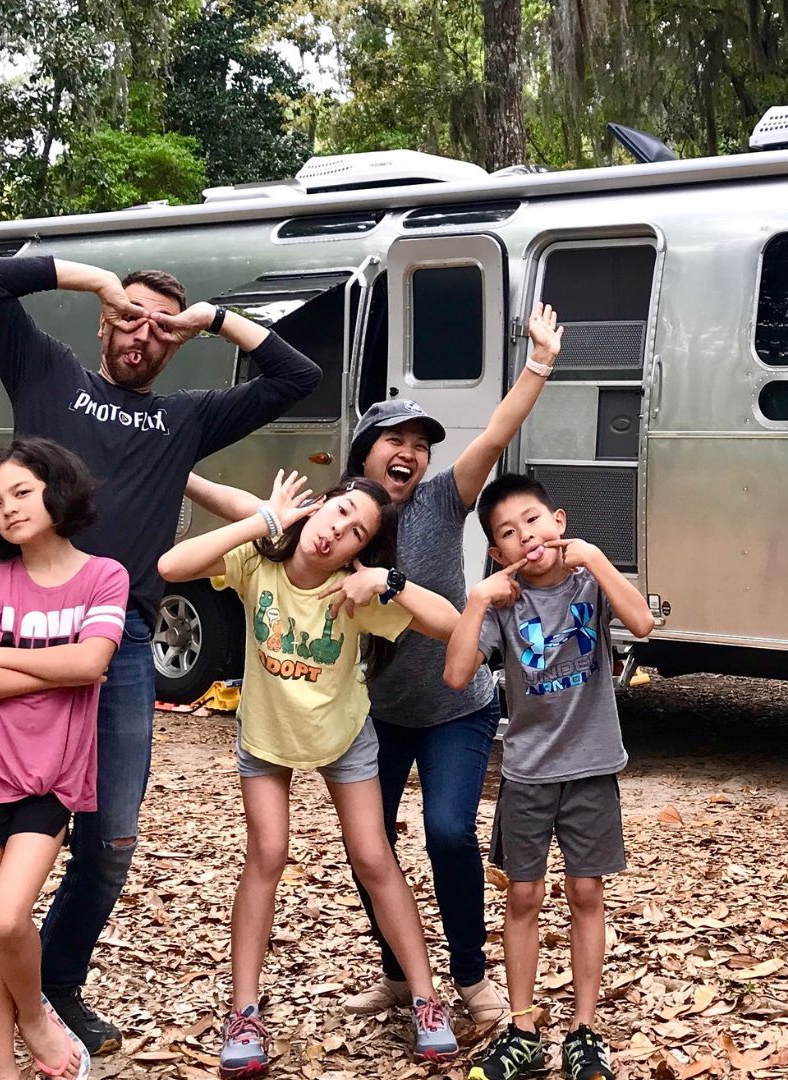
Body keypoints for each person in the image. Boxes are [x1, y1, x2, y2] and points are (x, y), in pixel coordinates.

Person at [0, 254, 321, 1080]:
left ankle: (52, 987)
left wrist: (212, 320)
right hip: (25, 623)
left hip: (120, 640)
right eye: (129, 317)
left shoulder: (184, 419)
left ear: (177, 344)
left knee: (110, 841)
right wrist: (95, 279)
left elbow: (294, 375)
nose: (143, 335)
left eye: (161, 329)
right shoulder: (50, 375)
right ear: (104, 323)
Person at [181, 303, 565, 1027]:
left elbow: (495, 433)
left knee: (448, 832)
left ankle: (470, 976)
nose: (410, 452)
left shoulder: (443, 500)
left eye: (420, 445)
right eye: (396, 439)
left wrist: (539, 363)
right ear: (365, 453)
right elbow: (249, 510)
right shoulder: (337, 519)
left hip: (454, 707)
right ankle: (398, 977)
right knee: (373, 847)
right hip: (375, 714)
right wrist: (177, 469)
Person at [158, 471, 467, 1077]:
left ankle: (426, 1001)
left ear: (361, 552)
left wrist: (390, 581)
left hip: (342, 734)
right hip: (267, 735)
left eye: (357, 534)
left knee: (373, 857)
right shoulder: (258, 561)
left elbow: (452, 623)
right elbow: (172, 566)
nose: (337, 533)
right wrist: (265, 519)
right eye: (340, 512)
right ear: (318, 506)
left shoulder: (356, 591)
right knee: (267, 854)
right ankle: (244, 1012)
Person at [444, 474, 654, 1080]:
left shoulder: (589, 582)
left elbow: (642, 623)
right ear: (497, 552)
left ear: (558, 521)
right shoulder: (503, 604)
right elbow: (456, 675)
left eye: (533, 521)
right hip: (529, 772)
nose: (526, 537)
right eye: (508, 533)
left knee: (587, 893)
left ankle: (585, 1031)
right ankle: (523, 1028)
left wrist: (597, 558)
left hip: (592, 766)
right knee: (524, 896)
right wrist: (477, 600)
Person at [0, 438, 131, 1080]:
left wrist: (3, 655)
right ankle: (1, 1069)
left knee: (5, 917)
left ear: (57, 489)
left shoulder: (104, 576)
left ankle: (33, 1017)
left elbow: (93, 662)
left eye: (22, 492)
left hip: (52, 776)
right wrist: (57, 668)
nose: (9, 509)